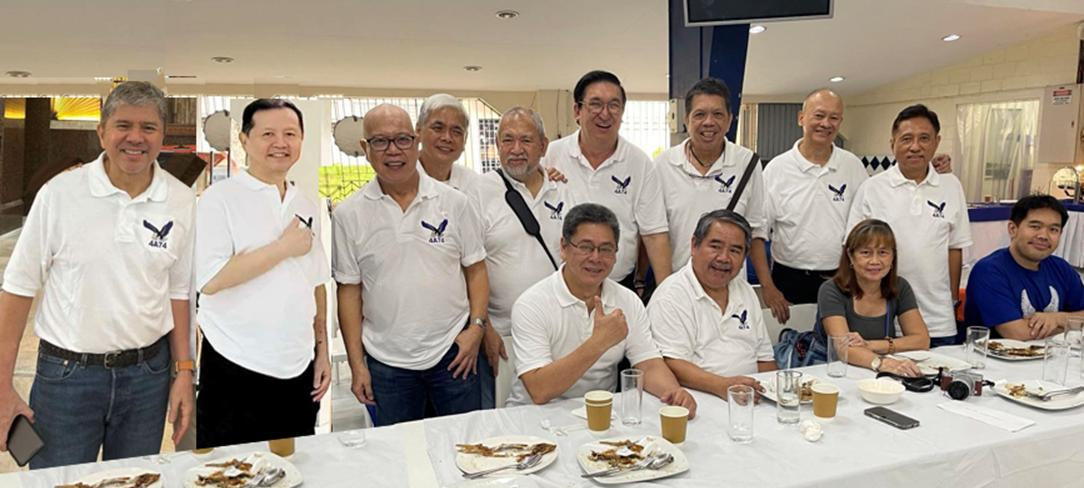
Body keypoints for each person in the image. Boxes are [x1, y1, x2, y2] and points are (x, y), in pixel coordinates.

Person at [0, 81, 195, 467]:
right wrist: (2, 385)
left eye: (148, 127)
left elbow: (178, 293)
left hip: (147, 378)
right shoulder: (59, 195)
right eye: (123, 125)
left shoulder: (181, 200)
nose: (135, 138)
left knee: (136, 478)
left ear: (163, 136)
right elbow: (18, 289)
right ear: (101, 131)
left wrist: (184, 373)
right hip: (67, 378)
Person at [332, 104, 488, 426]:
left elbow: (476, 270)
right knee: (400, 459)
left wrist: (476, 329)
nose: (393, 151)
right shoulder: (349, 214)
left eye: (402, 139)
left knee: (464, 448)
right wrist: (357, 364)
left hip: (453, 355)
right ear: (365, 149)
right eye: (380, 141)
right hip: (387, 364)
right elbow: (349, 292)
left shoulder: (455, 203)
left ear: (416, 142)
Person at [194, 99, 331, 448]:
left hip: (297, 365)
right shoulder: (219, 199)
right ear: (244, 140)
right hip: (234, 362)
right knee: (229, 472)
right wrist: (282, 248)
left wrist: (322, 351)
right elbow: (210, 280)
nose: (280, 143)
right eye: (268, 134)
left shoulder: (305, 203)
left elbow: (316, 283)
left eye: (290, 134)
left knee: (292, 466)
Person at [751, 89, 954, 324]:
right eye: (819, 115)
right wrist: (768, 287)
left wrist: (932, 170)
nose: (826, 123)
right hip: (790, 280)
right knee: (795, 349)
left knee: (843, 351)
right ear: (801, 118)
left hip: (845, 279)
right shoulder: (777, 169)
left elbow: (882, 201)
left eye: (834, 117)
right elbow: (758, 234)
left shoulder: (852, 166)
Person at [505, 203, 697, 417]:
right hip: (533, 417)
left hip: (600, 416)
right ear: (564, 247)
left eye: (605, 249)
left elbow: (648, 363)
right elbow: (539, 390)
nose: (595, 258)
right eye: (586, 247)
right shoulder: (532, 304)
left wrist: (673, 392)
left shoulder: (627, 301)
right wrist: (599, 342)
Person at [465, 107, 578, 407]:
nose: (516, 150)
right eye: (507, 140)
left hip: (561, 332)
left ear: (543, 146)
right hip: (504, 337)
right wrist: (484, 327)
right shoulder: (478, 192)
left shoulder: (565, 189)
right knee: (506, 421)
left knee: (562, 414)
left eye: (526, 141)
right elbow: (467, 268)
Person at [847, 104, 971, 346]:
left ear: (936, 142)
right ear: (892, 143)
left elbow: (954, 248)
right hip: (885, 319)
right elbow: (853, 251)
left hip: (938, 318)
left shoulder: (951, 186)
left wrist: (953, 299)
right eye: (906, 139)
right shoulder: (872, 188)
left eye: (924, 138)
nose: (915, 146)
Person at [541, 70, 671, 291]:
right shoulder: (551, 155)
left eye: (614, 105)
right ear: (577, 110)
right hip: (559, 288)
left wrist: (668, 295)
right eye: (595, 104)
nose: (605, 113)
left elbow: (654, 234)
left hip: (619, 286)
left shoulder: (640, 163)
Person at [647, 210, 775, 400]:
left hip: (749, 398)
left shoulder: (744, 290)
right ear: (694, 246)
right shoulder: (671, 296)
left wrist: (770, 394)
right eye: (715, 246)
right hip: (697, 400)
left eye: (735, 250)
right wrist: (723, 386)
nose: (723, 258)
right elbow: (671, 362)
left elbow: (764, 358)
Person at [655, 78, 766, 275]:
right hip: (678, 286)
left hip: (729, 285)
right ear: (686, 119)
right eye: (699, 114)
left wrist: (767, 284)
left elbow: (755, 231)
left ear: (730, 120)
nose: (709, 122)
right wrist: (660, 286)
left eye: (717, 114)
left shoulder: (748, 163)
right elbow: (655, 233)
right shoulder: (663, 165)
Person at [818, 219, 930, 376]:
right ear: (850, 256)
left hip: (880, 373)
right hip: (835, 372)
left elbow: (922, 340)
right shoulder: (831, 289)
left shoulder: (900, 286)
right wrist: (883, 363)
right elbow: (843, 348)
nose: (875, 261)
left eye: (883, 253)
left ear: (893, 257)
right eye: (865, 253)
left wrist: (870, 345)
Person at [965, 195, 1084, 340]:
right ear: (1013, 229)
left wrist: (1057, 318)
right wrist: (1072, 327)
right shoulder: (989, 271)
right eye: (1035, 226)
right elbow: (1017, 334)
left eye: (1053, 229)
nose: (1043, 236)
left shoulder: (1061, 268)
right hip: (994, 359)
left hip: (1054, 357)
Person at [416, 93, 485, 193]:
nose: (447, 138)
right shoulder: (398, 177)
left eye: (456, 132)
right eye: (438, 128)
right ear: (418, 131)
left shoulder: (472, 183)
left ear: (465, 140)